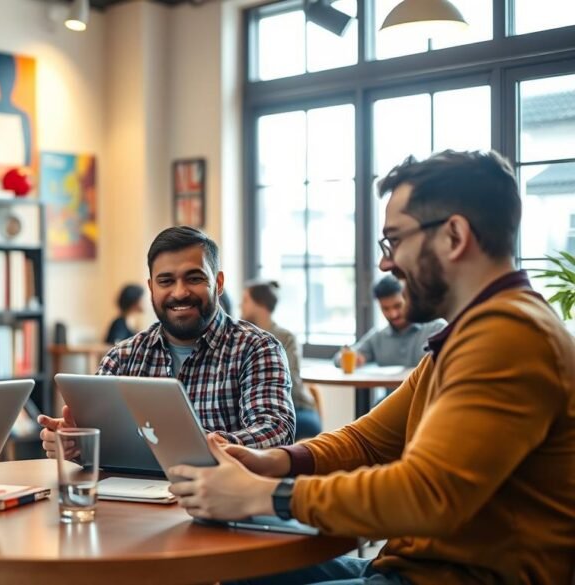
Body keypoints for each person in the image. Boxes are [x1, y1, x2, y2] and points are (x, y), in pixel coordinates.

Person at [167, 150, 575, 584]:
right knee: (234, 568)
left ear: (454, 236)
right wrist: (273, 462)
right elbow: (367, 442)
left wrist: (269, 495)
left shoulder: (508, 338)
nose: (385, 262)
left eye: (394, 240)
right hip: (409, 569)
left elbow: (426, 494)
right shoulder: (467, 335)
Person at [40, 226, 295, 453]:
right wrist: (74, 440)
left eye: (194, 278)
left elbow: (275, 431)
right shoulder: (122, 357)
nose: (180, 292)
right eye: (166, 281)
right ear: (151, 288)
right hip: (131, 496)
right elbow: (97, 436)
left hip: (219, 498)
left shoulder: (258, 348)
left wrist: (203, 445)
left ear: (218, 283)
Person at [239, 280, 320, 441]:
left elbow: (291, 383)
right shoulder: (241, 336)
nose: (240, 305)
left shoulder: (285, 338)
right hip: (250, 406)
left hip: (294, 406)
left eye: (246, 300)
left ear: (260, 303)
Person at [333, 275, 446, 369]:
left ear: (410, 299)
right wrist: (351, 358)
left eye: (398, 306)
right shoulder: (378, 338)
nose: (393, 314)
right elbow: (338, 359)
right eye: (385, 309)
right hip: (391, 396)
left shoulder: (436, 329)